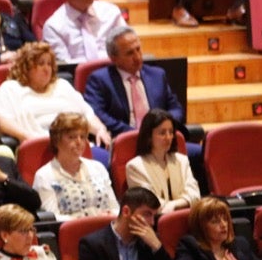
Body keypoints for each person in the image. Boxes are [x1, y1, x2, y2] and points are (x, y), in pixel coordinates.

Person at [83, 26, 202, 179]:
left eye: (138, 49)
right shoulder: (100, 80)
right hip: (125, 141)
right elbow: (98, 114)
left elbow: (175, 108)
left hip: (162, 141)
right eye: (129, 53)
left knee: (200, 153)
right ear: (114, 58)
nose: (137, 57)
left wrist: (162, 126)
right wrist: (136, 134)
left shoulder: (157, 75)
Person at [0, 43, 111, 159]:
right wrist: (25, 136)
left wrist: (100, 129)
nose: (47, 69)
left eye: (49, 64)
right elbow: (0, 119)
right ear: (26, 67)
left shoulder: (62, 85)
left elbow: (87, 113)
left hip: (76, 143)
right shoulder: (10, 88)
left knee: (103, 157)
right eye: (41, 64)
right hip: (39, 145)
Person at [32, 112, 119, 221]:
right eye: (72, 137)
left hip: (105, 230)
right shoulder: (44, 175)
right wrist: (89, 220)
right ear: (56, 140)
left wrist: (109, 215)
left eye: (83, 137)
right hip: (72, 233)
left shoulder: (98, 168)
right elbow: (52, 218)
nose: (79, 142)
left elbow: (115, 208)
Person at [41, 0, 127, 63]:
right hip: (76, 75)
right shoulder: (54, 26)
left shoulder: (111, 12)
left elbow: (127, 45)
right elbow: (64, 66)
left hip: (113, 70)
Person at [125, 109, 201, 213]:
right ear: (149, 136)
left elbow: (195, 195)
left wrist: (173, 205)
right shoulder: (135, 167)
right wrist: (185, 202)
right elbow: (150, 204)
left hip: (186, 218)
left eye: (171, 132)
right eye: (162, 133)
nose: (168, 137)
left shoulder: (181, 160)